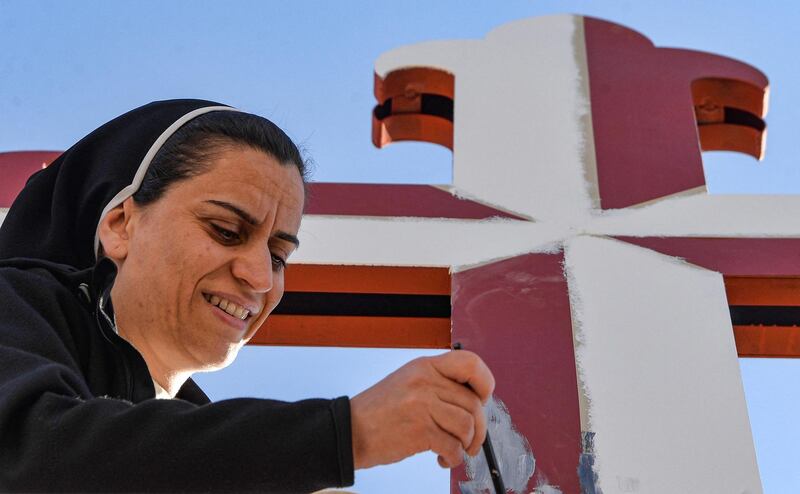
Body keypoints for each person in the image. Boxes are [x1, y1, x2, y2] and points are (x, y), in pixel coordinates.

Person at [0, 99, 495, 492]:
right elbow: (28, 456)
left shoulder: (211, 447)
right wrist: (348, 434)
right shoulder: (15, 304)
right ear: (121, 224)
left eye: (279, 257)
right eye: (226, 230)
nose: (260, 277)